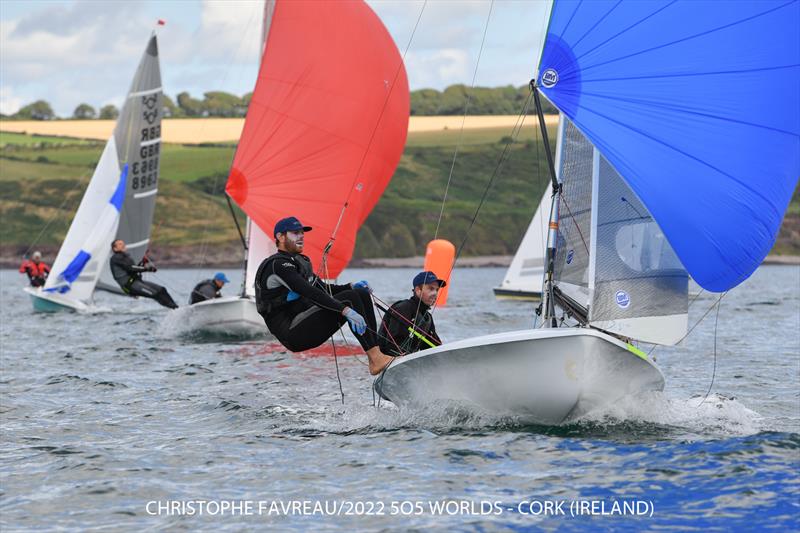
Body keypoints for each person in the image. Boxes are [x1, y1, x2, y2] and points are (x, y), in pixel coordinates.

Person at [254, 216, 393, 375]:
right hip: (292, 333)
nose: (301, 236)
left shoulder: (298, 262)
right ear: (280, 237)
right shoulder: (277, 265)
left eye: (302, 233)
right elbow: (309, 292)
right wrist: (345, 311)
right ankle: (376, 358)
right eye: (295, 233)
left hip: (304, 320)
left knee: (359, 293)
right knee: (350, 299)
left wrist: (351, 286)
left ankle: (378, 355)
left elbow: (323, 288)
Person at [378, 271, 444, 356]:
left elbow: (433, 348)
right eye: (431, 289)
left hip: (409, 361)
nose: (435, 293)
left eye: (437, 290)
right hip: (389, 360)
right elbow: (391, 345)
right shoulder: (403, 308)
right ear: (418, 290)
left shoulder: (427, 317)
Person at [109, 239, 178, 309]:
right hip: (130, 285)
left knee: (161, 290)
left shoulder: (125, 257)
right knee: (155, 293)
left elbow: (134, 269)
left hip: (136, 282)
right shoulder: (116, 258)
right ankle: (175, 309)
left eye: (123, 243)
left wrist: (143, 263)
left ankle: (176, 307)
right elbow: (131, 268)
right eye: (120, 244)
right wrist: (147, 269)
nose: (123, 245)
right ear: (115, 248)